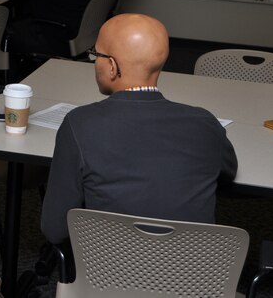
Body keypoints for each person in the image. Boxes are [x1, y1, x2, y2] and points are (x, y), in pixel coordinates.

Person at [40, 13, 238, 245]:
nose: (95, 62)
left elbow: (55, 230)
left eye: (96, 55)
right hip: (192, 276)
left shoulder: (80, 123)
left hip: (102, 275)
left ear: (112, 66)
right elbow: (228, 173)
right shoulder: (204, 123)